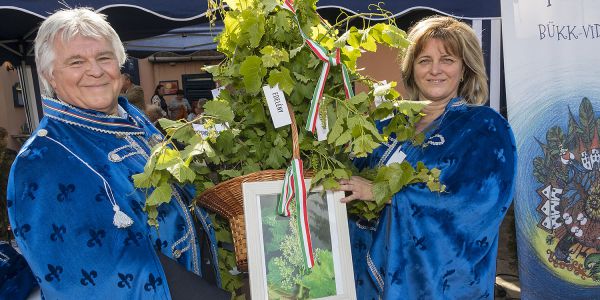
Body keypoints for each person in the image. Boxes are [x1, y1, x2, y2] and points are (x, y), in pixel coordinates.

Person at [7, 8, 227, 299]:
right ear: (50, 76)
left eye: (103, 58)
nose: (95, 70)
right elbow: (96, 277)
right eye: (76, 62)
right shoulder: (42, 160)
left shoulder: (134, 121)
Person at [338, 16, 517, 299]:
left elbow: (473, 203)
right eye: (424, 60)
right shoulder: (387, 127)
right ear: (411, 69)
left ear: (464, 69)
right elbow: (351, 177)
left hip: (440, 287)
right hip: (368, 284)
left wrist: (381, 193)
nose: (435, 70)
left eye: (447, 59)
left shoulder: (484, 127)